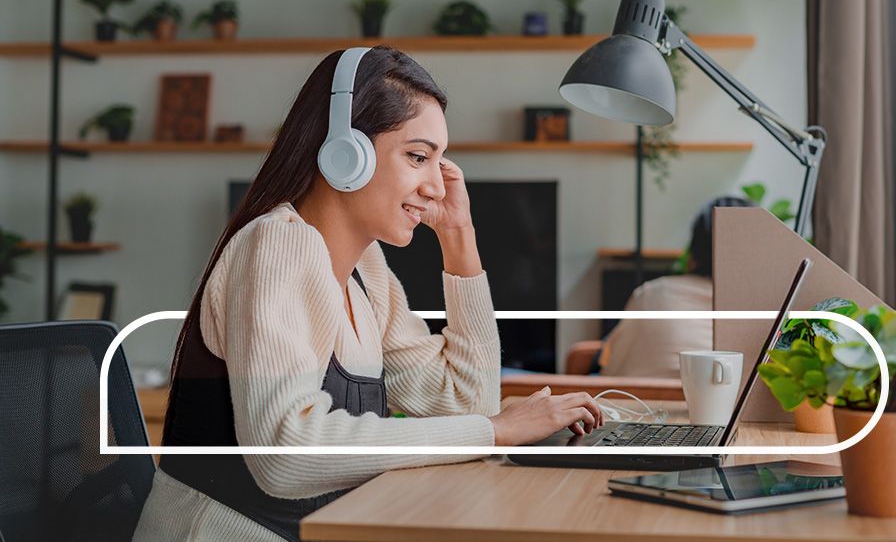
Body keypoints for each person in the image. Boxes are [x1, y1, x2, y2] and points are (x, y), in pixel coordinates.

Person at [133, 46, 603, 542]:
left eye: (439, 163)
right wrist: (497, 430)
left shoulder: (367, 270)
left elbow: (466, 403)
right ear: (345, 151)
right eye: (418, 157)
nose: (437, 188)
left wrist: (459, 238)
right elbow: (286, 454)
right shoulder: (275, 246)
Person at [598, 196, 753, 378]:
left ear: (693, 254)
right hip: (726, 402)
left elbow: (612, 368)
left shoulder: (653, 292)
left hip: (636, 401)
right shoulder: (763, 305)